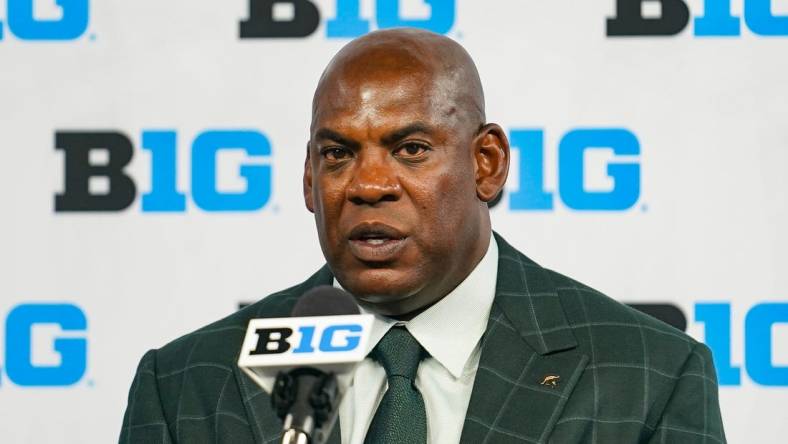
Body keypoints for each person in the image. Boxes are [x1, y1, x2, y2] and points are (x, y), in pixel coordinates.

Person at [120, 28, 726, 444]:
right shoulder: (187, 384)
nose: (368, 185)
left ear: (486, 164)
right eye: (338, 154)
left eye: (410, 149)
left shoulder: (647, 374)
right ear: (309, 180)